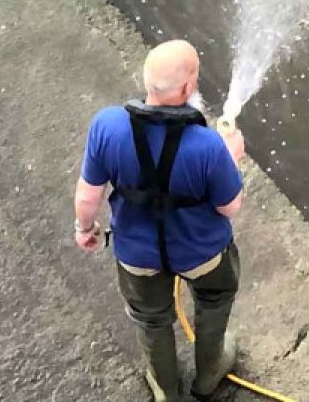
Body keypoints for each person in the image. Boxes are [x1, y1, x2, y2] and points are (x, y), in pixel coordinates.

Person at [74, 40, 246, 402]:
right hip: (202, 253)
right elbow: (230, 208)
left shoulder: (107, 125)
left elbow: (89, 194)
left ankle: (166, 388)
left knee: (151, 319)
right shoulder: (208, 146)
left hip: (138, 257)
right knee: (214, 298)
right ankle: (210, 372)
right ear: (186, 89)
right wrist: (230, 158)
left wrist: (85, 228)